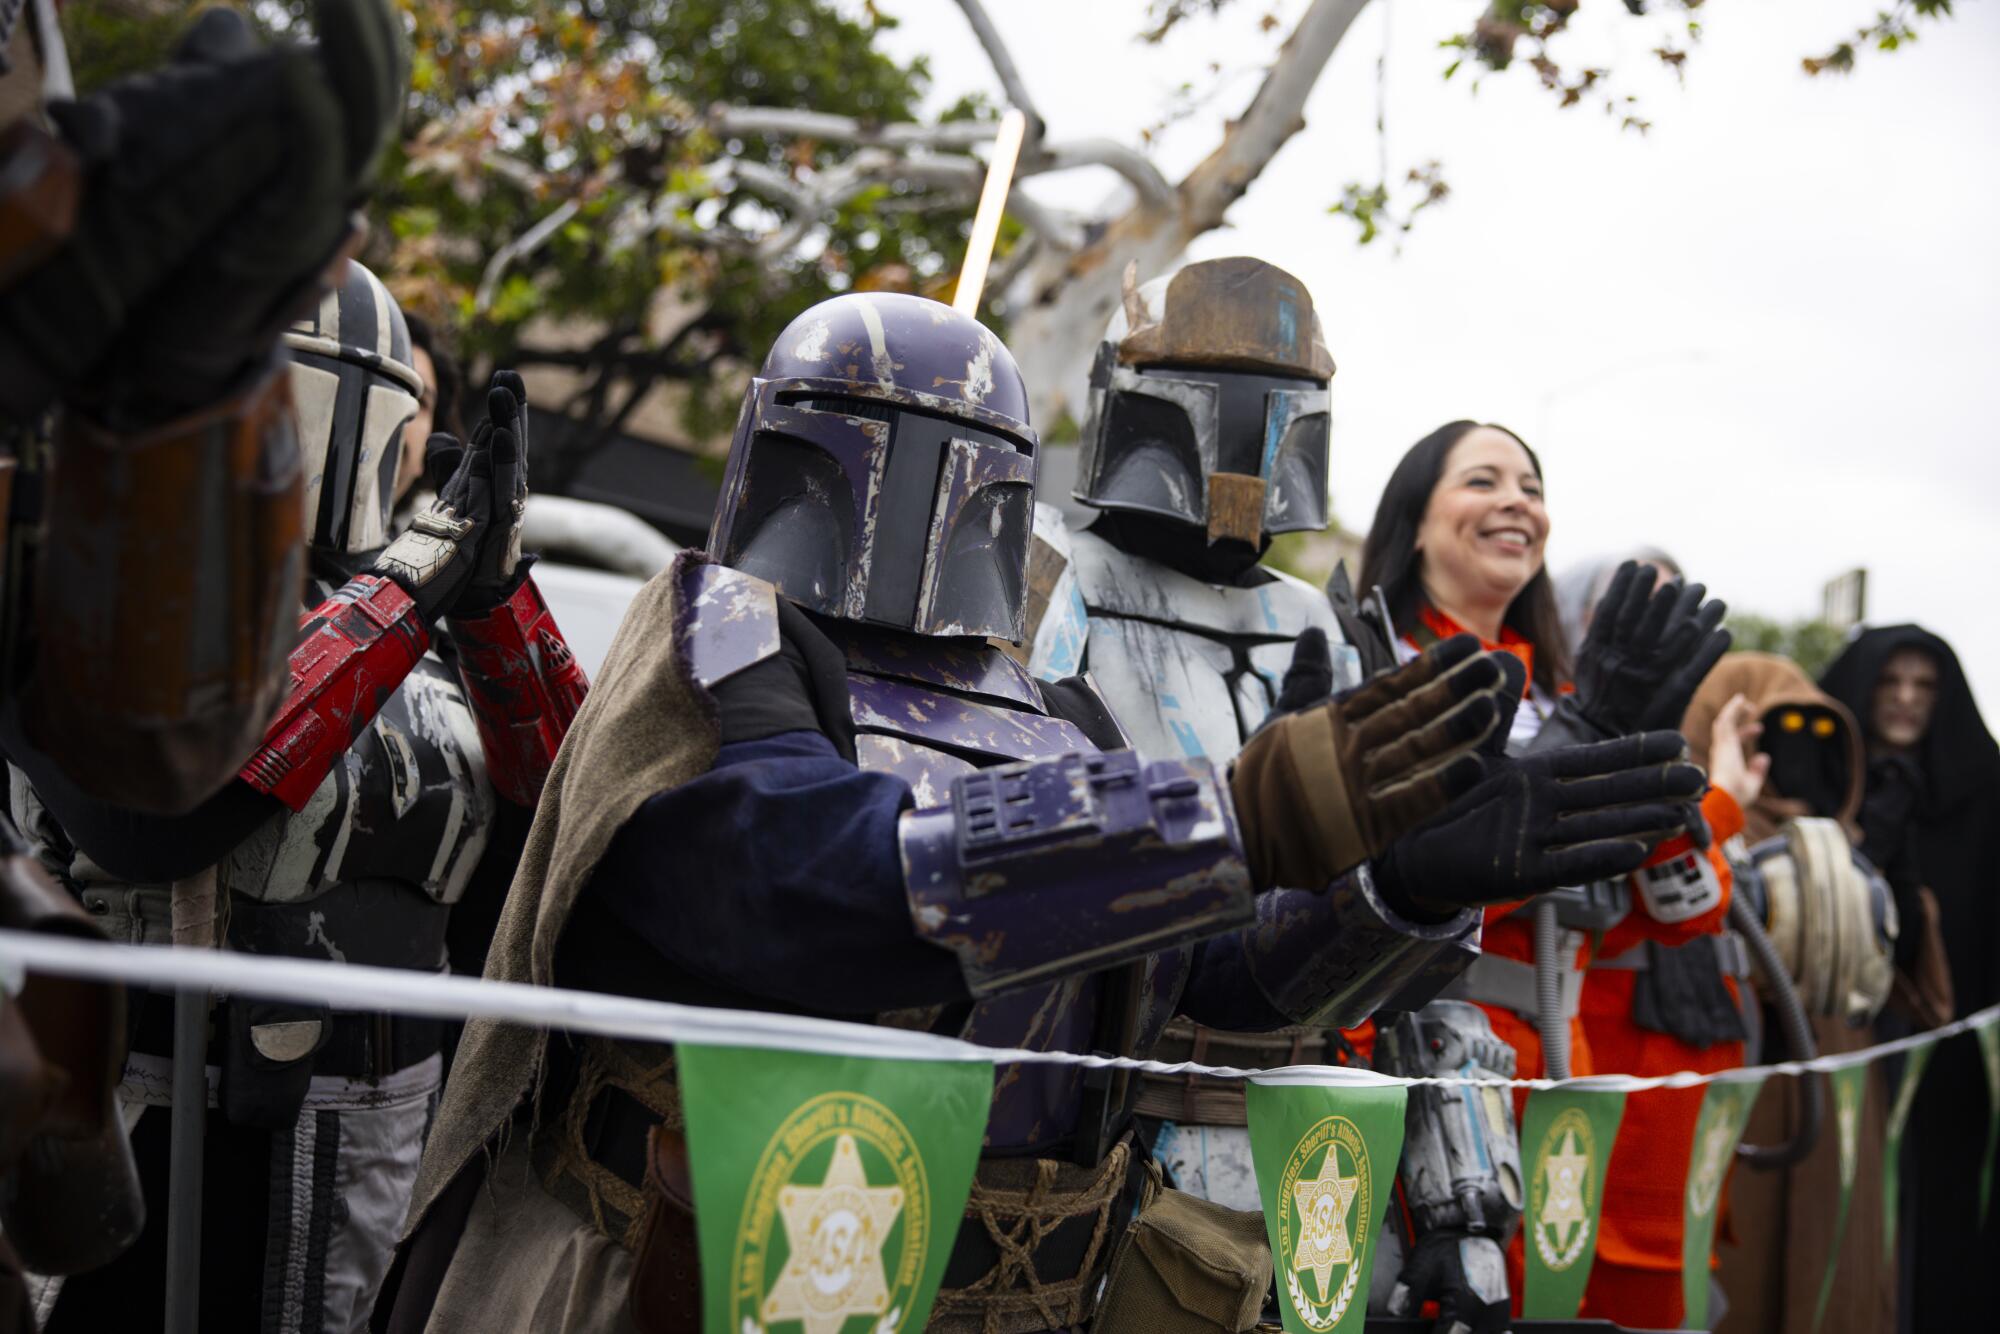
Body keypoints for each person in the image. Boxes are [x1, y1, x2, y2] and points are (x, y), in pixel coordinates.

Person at [388, 292, 1707, 1334]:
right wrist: (1240, 818)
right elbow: (793, 882)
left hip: (1017, 1288)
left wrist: (1402, 888)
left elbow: (1211, 990)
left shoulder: (1046, 702)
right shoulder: (723, 631)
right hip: (712, 1273)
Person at [7, 263, 587, 1334]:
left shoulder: (409, 605)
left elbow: (561, 827)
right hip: (130, 1127)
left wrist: (496, 592)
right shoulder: (85, 585)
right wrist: (413, 583)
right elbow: (166, 805)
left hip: (370, 1145)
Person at [1356, 428, 1736, 1331]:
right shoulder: (1371, 663)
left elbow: (1687, 915)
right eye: (1482, 481)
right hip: (1418, 1063)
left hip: (1566, 1075)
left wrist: (1661, 789)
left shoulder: (1571, 691)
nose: (1515, 501)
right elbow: (1404, 877)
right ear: (1414, 521)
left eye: (1531, 485)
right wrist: (1582, 750)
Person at [1820, 627, 1996, 1332]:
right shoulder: (1814, 780)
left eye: (1924, 686)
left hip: (1953, 1056)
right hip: (1831, 1042)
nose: (1905, 700)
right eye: (1890, 682)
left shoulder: (1984, 790)